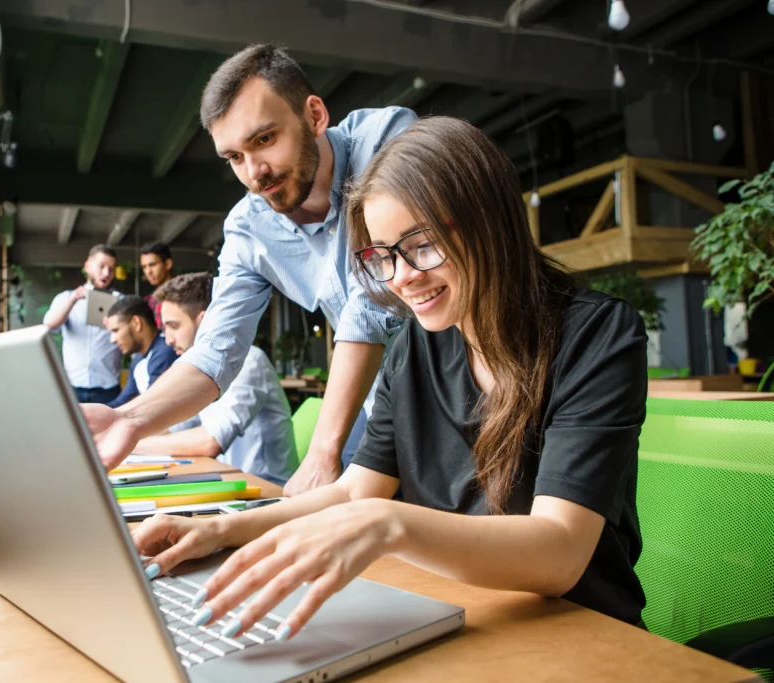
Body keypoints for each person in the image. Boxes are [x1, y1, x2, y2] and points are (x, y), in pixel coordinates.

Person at [130, 117, 649, 643]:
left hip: (579, 635)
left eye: (421, 246)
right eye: (382, 257)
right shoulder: (418, 344)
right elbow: (357, 491)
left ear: (488, 221)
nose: (402, 277)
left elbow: (560, 552)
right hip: (463, 619)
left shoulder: (596, 334)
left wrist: (389, 524)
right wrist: (219, 529)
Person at [81, 44, 417, 495]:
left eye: (264, 139)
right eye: (234, 157)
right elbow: (216, 351)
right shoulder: (248, 227)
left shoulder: (388, 140)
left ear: (315, 115)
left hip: (481, 391)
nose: (254, 172)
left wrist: (322, 451)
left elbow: (375, 296)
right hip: (389, 414)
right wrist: (130, 419)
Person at [133, 273, 296, 486]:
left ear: (205, 322)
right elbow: (175, 424)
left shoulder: (249, 361)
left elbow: (209, 441)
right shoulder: (201, 370)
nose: (169, 339)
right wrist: (135, 432)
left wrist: (130, 444)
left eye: (174, 326)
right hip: (234, 483)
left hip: (269, 490)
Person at [43, 245, 123, 404]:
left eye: (111, 269)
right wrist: (73, 299)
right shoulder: (65, 297)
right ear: (87, 266)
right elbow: (49, 326)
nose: (106, 273)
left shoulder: (121, 301)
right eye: (101, 266)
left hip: (108, 388)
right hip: (71, 387)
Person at [105, 297, 179, 409]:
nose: (112, 339)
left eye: (116, 330)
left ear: (136, 323)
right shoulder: (138, 358)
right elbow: (124, 400)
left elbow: (151, 405)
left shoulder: (165, 352)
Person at [141, 242, 175, 328]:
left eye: (152, 265)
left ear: (167, 264)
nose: (148, 272)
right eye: (144, 267)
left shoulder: (185, 294)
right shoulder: (150, 300)